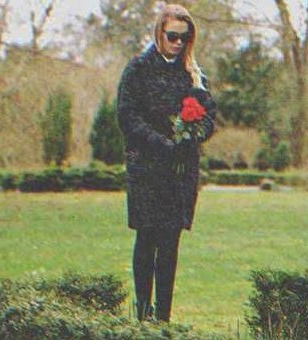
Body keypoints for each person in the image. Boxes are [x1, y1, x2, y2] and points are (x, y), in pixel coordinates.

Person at [116, 4, 216, 322]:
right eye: (172, 36)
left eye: (184, 39)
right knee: (147, 237)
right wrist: (162, 143)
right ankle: (143, 314)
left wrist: (192, 135)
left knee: (170, 242)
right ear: (159, 33)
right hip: (147, 166)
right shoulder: (138, 69)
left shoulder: (193, 74)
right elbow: (128, 117)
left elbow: (209, 117)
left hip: (180, 171)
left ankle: (164, 318)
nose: (178, 43)